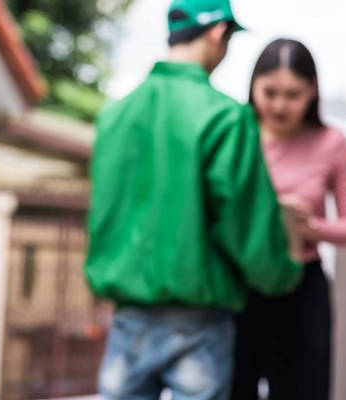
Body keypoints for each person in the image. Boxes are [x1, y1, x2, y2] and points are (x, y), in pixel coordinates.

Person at [85, 1, 304, 399]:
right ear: (218, 33)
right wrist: (284, 273)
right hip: (197, 324)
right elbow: (245, 225)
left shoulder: (115, 116)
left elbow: (103, 216)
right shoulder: (224, 117)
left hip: (128, 319)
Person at [231, 39, 346, 400]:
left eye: (293, 94)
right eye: (270, 92)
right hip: (241, 286)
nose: (279, 105)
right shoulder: (236, 133)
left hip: (302, 288)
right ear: (253, 85)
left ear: (313, 91)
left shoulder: (332, 142)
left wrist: (312, 228)